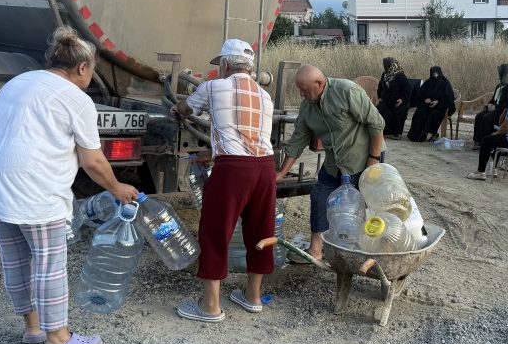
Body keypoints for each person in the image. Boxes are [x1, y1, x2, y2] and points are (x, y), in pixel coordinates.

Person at [0, 27, 138, 344]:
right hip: (29, 184)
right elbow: (93, 160)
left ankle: (33, 328)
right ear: (83, 67)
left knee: (15, 256)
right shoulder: (76, 99)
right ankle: (58, 339)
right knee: (50, 262)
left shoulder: (20, 82)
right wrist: (117, 187)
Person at [169, 39, 275, 321]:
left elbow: (186, 110)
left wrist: (176, 109)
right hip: (264, 168)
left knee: (215, 232)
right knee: (260, 231)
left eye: (220, 66)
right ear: (250, 68)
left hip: (232, 169)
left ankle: (210, 306)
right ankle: (252, 297)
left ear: (226, 64)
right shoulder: (265, 96)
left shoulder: (213, 86)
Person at [276, 65, 384, 260]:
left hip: (363, 158)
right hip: (335, 163)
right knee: (320, 196)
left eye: (305, 90)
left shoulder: (346, 91)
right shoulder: (307, 107)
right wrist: (281, 173)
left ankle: (364, 251)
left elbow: (376, 123)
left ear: (320, 83)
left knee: (362, 205)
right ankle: (316, 250)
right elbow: (297, 140)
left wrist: (373, 160)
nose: (302, 95)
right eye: (300, 90)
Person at [471, 63, 508, 149]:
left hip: (502, 112)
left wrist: (496, 107)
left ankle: (485, 142)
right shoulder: (499, 86)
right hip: (495, 110)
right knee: (479, 116)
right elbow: (494, 99)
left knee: (487, 118)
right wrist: (488, 105)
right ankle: (477, 141)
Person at [406, 66, 455, 142]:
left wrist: (437, 102)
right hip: (428, 105)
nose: (435, 75)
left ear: (439, 73)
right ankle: (416, 135)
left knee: (433, 114)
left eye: (436, 73)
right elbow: (420, 94)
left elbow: (449, 99)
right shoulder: (429, 82)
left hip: (440, 106)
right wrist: (425, 99)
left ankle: (432, 133)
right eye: (433, 74)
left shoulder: (445, 83)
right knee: (420, 111)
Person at [376, 57, 410, 139]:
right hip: (386, 101)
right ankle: (382, 131)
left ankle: (397, 133)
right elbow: (380, 87)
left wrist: (402, 99)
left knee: (398, 113)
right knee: (378, 111)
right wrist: (380, 96)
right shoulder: (384, 75)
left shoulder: (400, 76)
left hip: (398, 101)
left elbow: (407, 89)